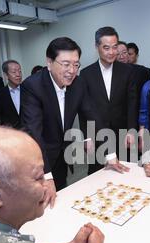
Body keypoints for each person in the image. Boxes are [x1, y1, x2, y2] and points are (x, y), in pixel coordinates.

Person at [20, 37, 102, 191]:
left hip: (62, 155)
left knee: (61, 193)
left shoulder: (78, 83)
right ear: (49, 63)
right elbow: (34, 133)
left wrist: (110, 154)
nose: (72, 70)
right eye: (66, 64)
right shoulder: (32, 86)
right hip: (39, 159)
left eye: (76, 65)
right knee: (40, 203)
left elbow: (91, 114)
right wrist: (46, 175)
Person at [80, 26, 138, 174]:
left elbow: (132, 103)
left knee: (124, 172)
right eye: (106, 48)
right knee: (97, 174)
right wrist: (86, 137)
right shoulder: (86, 74)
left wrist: (132, 130)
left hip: (121, 133)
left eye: (114, 47)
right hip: (96, 135)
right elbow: (84, 109)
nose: (111, 52)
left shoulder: (127, 71)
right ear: (96, 46)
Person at [0, 60, 22, 128]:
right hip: (11, 134)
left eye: (20, 71)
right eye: (14, 72)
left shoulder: (29, 91)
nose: (18, 75)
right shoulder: (0, 95)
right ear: (6, 75)